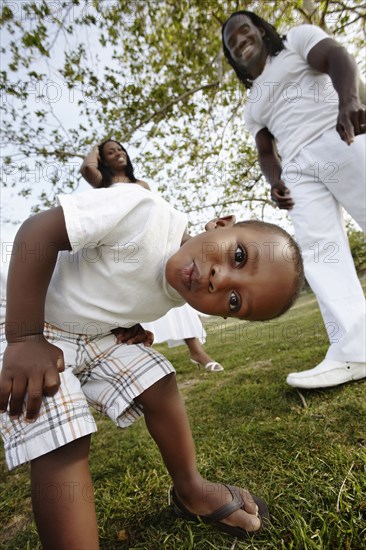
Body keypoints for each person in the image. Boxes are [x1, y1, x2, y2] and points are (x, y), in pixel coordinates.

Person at [0, 176, 303, 547]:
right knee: (63, 436)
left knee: (158, 380)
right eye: (238, 256)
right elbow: (37, 233)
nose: (219, 279)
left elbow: (116, 283)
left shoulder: (177, 291)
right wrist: (24, 337)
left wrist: (130, 323)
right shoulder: (144, 212)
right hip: (21, 316)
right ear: (222, 224)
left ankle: (190, 488)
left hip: (89, 335)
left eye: (235, 301)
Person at [222, 10, 366, 389]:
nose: (238, 40)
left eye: (244, 30)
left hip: (339, 133)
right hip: (299, 168)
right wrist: (275, 181)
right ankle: (355, 351)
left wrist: (349, 101)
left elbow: (337, 57)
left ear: (262, 30)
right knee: (319, 252)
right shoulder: (252, 104)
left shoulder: (296, 42)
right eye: (230, 41)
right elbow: (266, 151)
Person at [81, 141, 224, 372]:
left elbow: (161, 216)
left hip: (158, 244)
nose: (118, 153)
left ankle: (198, 353)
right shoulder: (104, 185)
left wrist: (190, 240)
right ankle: (143, 359)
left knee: (179, 293)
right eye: (111, 152)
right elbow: (87, 169)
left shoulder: (141, 185)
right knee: (139, 302)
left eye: (120, 149)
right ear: (102, 160)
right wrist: (96, 150)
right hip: (126, 249)